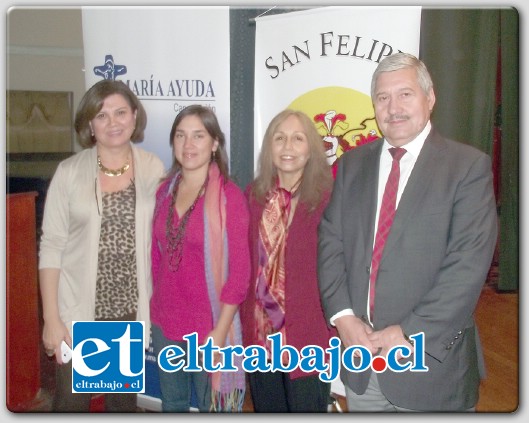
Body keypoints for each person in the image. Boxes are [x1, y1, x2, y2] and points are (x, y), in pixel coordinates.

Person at [317, 52, 498, 412]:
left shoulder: (467, 167)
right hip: (362, 361)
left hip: (429, 367)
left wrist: (407, 332)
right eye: (383, 97)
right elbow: (330, 242)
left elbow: (467, 266)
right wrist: (343, 317)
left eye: (405, 94)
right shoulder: (352, 164)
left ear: (429, 99)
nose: (393, 107)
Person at [38, 79, 165, 412]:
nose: (113, 122)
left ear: (134, 117)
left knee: (122, 405)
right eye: (102, 115)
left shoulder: (153, 168)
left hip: (128, 311)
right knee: (71, 404)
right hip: (79, 313)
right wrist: (52, 318)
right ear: (90, 125)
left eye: (121, 112)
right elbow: (51, 246)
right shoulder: (68, 173)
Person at [150, 105, 250, 412]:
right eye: (180, 135)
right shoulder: (164, 191)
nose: (188, 144)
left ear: (215, 143)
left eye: (198, 135)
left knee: (212, 407)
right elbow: (157, 259)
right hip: (166, 322)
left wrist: (220, 331)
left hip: (209, 326)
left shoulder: (229, 198)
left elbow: (240, 273)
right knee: (173, 404)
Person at [240, 109, 335, 412]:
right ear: (269, 147)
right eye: (279, 139)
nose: (288, 147)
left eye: (298, 139)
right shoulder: (253, 196)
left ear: (312, 150)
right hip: (260, 334)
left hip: (308, 333)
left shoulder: (327, 199)